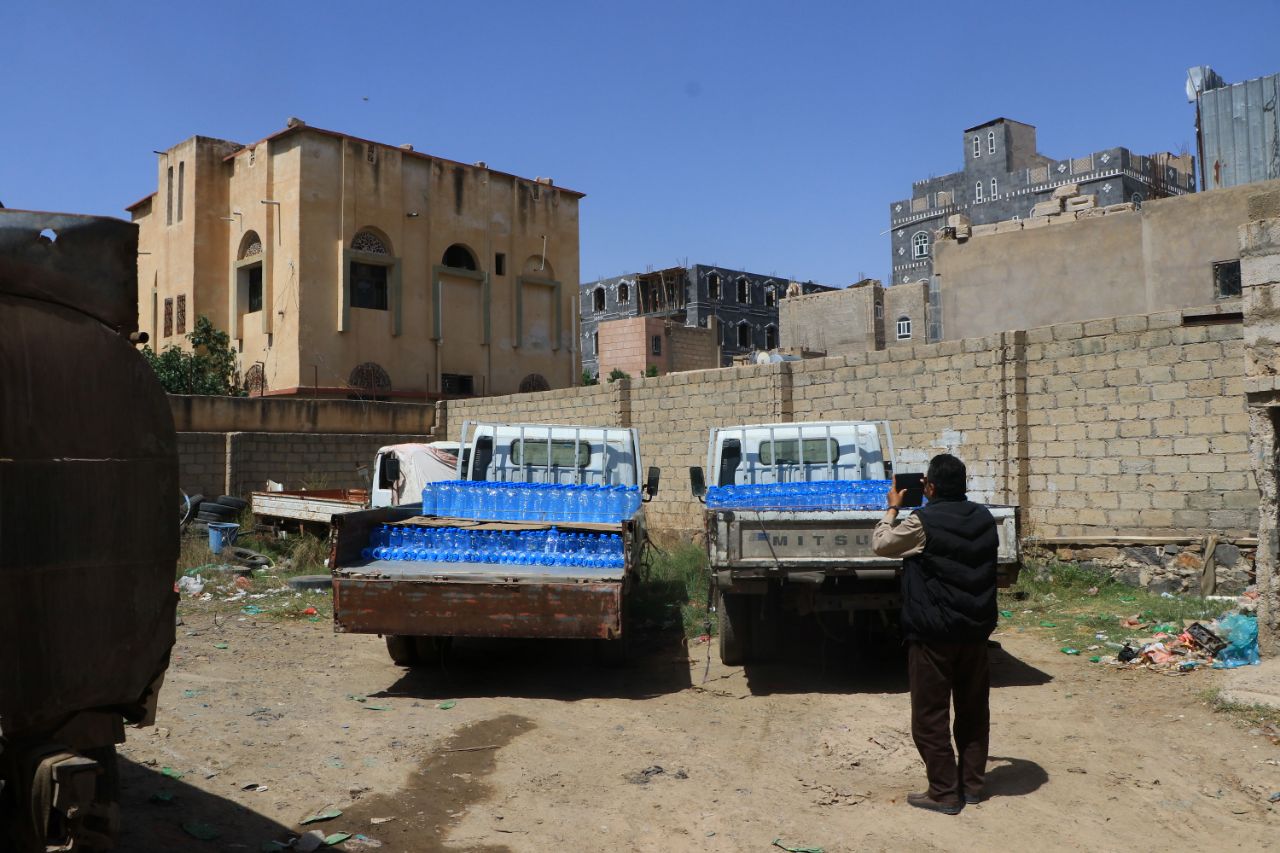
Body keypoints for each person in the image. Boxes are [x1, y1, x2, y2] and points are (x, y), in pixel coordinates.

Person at [872, 453, 999, 815]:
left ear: (928, 487)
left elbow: (882, 545)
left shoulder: (921, 522)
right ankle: (971, 786)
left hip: (934, 634)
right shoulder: (984, 517)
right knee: (973, 712)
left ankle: (944, 792)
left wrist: (892, 509)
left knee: (930, 717)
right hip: (975, 632)